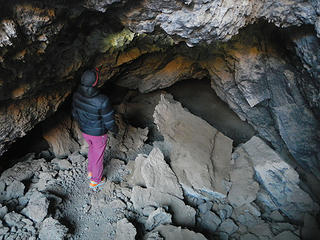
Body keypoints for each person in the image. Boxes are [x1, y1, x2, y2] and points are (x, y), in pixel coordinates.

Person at [72, 68, 118, 188]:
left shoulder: (76, 95)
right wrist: (115, 130)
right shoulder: (102, 100)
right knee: (98, 155)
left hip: (85, 131)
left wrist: (84, 124)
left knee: (92, 149)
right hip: (98, 133)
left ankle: (91, 172)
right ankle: (95, 180)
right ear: (95, 82)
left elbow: (74, 113)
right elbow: (109, 121)